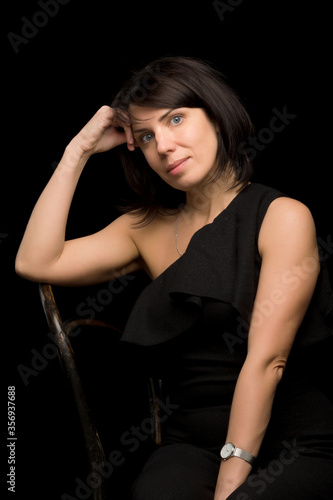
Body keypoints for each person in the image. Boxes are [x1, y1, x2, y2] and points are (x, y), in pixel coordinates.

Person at [16, 56, 333, 499]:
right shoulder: (145, 229)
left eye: (176, 119)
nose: (163, 145)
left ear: (217, 117)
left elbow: (267, 362)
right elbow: (35, 261)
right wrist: (78, 152)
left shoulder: (281, 216)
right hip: (193, 440)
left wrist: (228, 485)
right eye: (146, 135)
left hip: (291, 438)